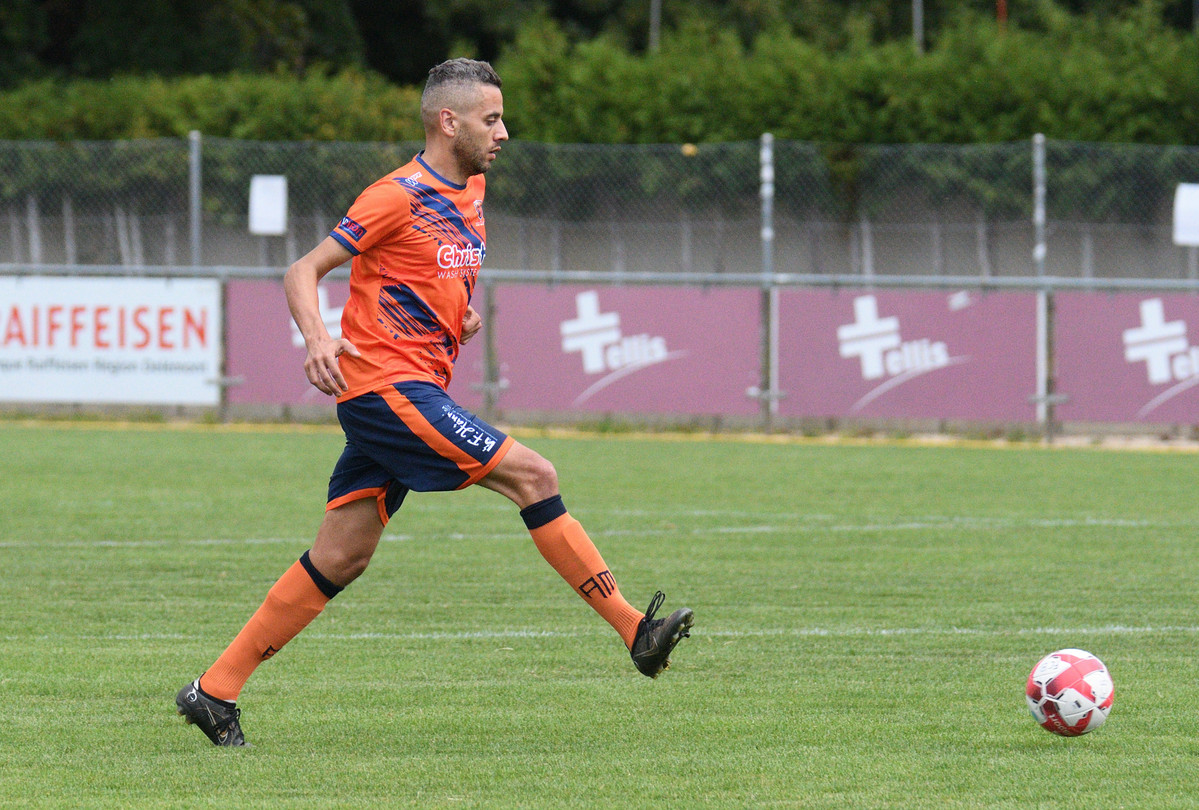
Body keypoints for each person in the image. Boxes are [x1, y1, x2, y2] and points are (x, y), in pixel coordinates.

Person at [176, 58, 693, 747]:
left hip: (404, 389)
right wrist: (318, 339)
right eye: (491, 119)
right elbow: (302, 269)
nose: (503, 133)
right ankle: (635, 631)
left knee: (341, 557)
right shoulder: (395, 195)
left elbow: (429, 274)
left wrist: (457, 315)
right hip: (385, 390)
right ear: (449, 122)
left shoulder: (473, 189)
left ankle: (214, 691)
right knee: (534, 476)